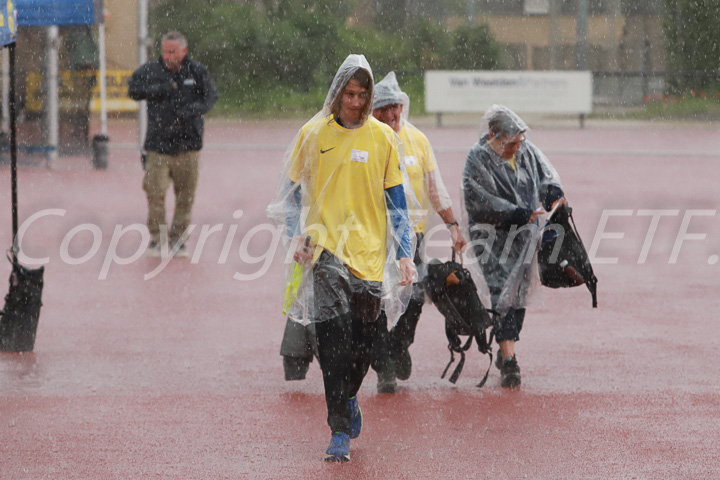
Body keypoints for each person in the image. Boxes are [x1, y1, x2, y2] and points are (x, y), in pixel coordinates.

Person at [267, 54, 416, 462]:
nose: (355, 101)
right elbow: (292, 193)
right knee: (333, 344)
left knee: (363, 346)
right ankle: (338, 431)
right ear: (336, 94)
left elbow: (398, 202)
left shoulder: (384, 138)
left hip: (368, 256)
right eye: (349, 94)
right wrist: (297, 233)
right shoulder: (313, 134)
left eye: (362, 94)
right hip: (324, 249)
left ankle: (349, 397)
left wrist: (404, 254)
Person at [369, 72, 466, 393]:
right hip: (370, 238)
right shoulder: (364, 139)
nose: (391, 114)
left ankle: (399, 344)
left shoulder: (417, 140)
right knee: (377, 302)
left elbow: (434, 188)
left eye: (395, 106)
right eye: (383, 108)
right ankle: (383, 365)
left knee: (413, 299)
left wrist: (452, 225)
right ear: (372, 110)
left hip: (411, 236)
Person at [462, 105, 566, 388]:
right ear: (493, 135)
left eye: (519, 142)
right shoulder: (477, 158)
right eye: (510, 144)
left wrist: (555, 197)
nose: (516, 148)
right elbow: (477, 200)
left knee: (518, 293)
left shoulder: (526, 150)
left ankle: (507, 347)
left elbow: (545, 176)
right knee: (500, 291)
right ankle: (509, 359)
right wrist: (516, 213)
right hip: (491, 238)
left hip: (523, 236)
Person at [128, 31, 218, 258]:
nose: (168, 56)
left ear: (184, 51)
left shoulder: (197, 71)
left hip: (189, 147)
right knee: (155, 193)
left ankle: (178, 240)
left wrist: (190, 112)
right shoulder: (151, 71)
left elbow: (210, 98)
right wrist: (162, 89)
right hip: (158, 147)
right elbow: (133, 90)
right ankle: (157, 239)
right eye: (165, 51)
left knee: (186, 196)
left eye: (173, 52)